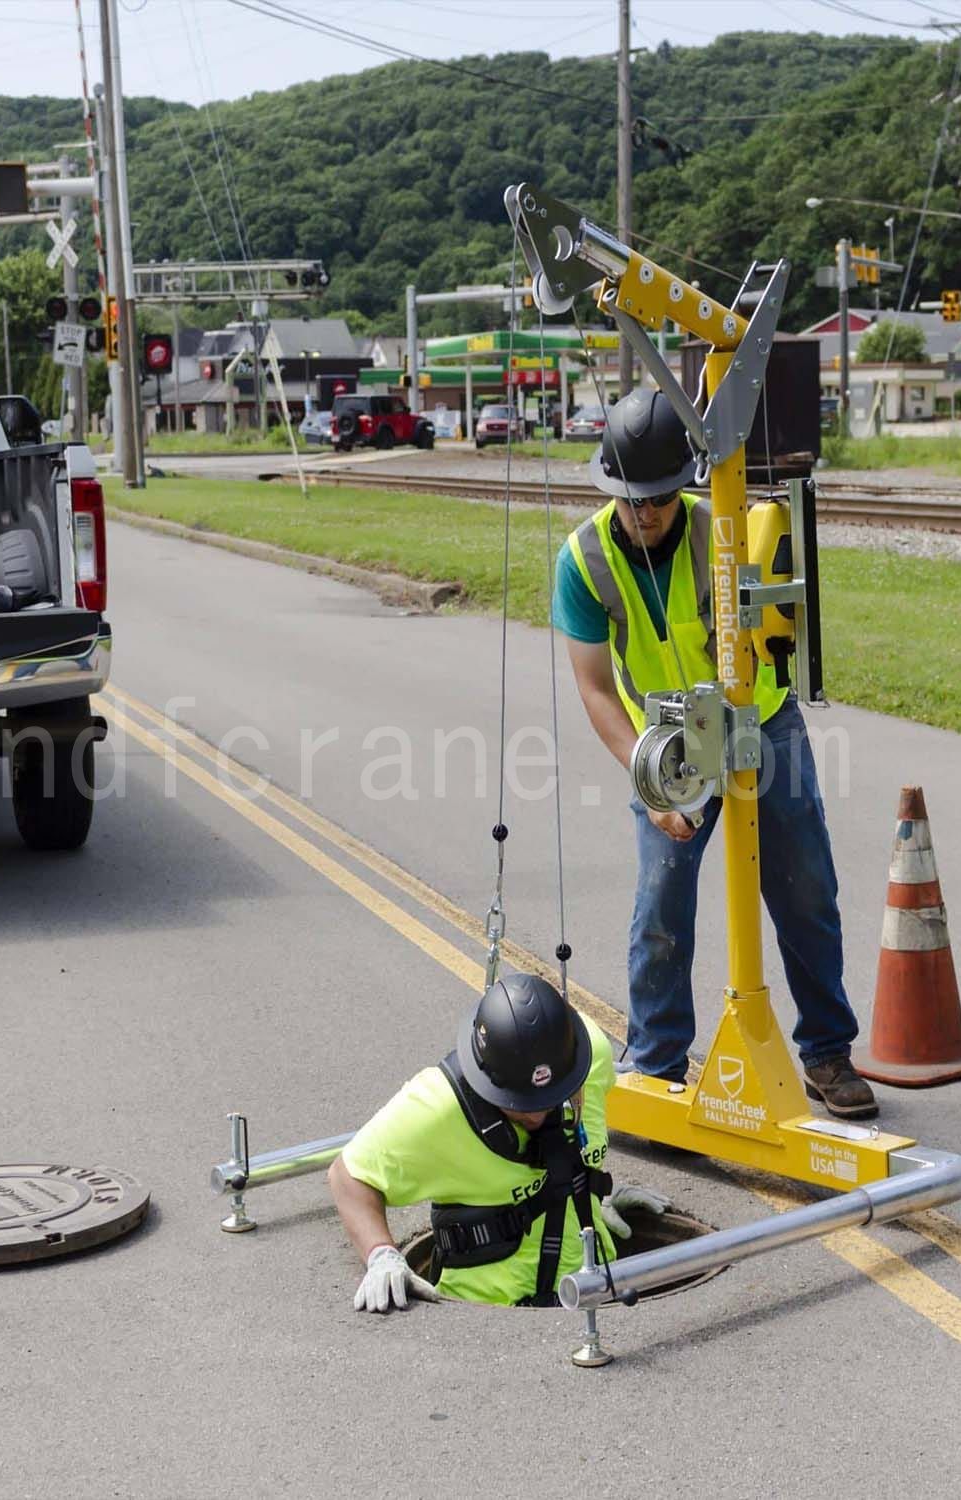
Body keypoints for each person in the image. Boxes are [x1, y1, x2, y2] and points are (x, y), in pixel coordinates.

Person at [551, 388, 876, 1120]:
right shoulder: (584, 561)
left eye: (661, 497)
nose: (648, 513)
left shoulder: (722, 531)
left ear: (681, 486)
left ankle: (826, 1053)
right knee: (661, 904)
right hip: (666, 745)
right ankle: (657, 1063)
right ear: (613, 489)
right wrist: (652, 778)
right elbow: (597, 689)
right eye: (635, 499)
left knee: (804, 889)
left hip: (764, 723)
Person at [328, 973, 669, 1311]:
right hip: (487, 1318)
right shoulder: (440, 1106)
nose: (536, 1116)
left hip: (594, 1290)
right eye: (520, 1104)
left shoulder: (589, 1054)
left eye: (551, 1098)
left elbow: (576, 1147)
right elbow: (348, 1176)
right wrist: (381, 1255)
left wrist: (594, 1193)